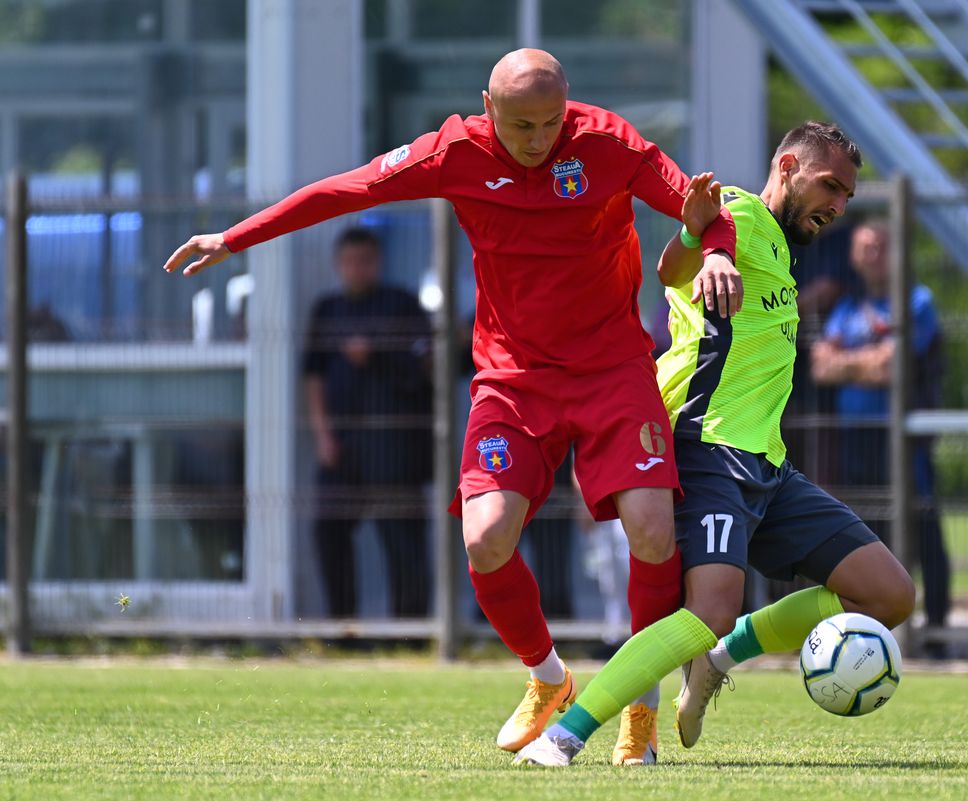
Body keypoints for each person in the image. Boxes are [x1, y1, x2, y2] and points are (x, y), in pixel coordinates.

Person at [161, 49, 741, 758]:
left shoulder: (609, 143)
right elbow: (348, 190)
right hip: (513, 376)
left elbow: (698, 207)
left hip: (612, 369)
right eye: (522, 125)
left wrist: (716, 249)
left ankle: (638, 704)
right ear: (487, 107)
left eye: (551, 122)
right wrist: (235, 237)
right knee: (485, 536)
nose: (538, 140)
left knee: (652, 528)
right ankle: (548, 679)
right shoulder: (453, 152)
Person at [515, 123, 915, 767]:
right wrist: (707, 249)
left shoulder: (782, 249)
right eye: (830, 186)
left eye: (847, 196)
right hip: (707, 448)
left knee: (891, 597)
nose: (839, 206)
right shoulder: (738, 210)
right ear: (787, 166)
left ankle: (720, 661)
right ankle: (564, 737)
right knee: (709, 609)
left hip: (768, 465)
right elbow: (674, 264)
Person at [810, 220, 952, 645]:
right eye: (863, 248)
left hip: (904, 440)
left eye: (880, 246)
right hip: (858, 439)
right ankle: (871, 629)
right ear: (853, 256)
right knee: (866, 533)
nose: (871, 255)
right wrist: (867, 363)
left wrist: (849, 362)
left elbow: (895, 366)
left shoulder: (917, 302)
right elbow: (820, 367)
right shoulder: (848, 307)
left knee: (922, 526)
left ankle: (936, 630)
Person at [302, 226, 433, 618]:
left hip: (394, 447)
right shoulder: (327, 310)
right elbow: (313, 376)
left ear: (377, 262)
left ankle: (410, 630)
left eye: (365, 261)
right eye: (349, 262)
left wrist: (375, 355)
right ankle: (343, 627)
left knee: (401, 536)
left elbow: (425, 367)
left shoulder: (402, 306)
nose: (357, 270)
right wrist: (322, 434)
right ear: (337, 265)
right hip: (343, 445)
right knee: (330, 530)